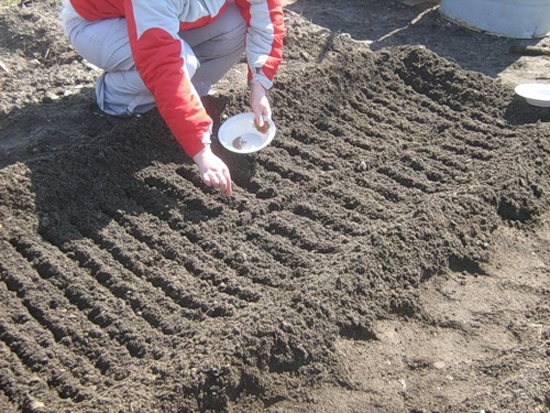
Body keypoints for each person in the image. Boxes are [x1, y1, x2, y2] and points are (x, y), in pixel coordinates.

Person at [60, 0, 285, 197]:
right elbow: (164, 66)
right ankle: (115, 97)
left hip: (162, 16)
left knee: (234, 24)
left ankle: (185, 100)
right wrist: (202, 151)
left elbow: (263, 9)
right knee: (181, 62)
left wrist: (259, 83)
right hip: (97, 23)